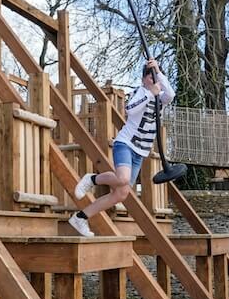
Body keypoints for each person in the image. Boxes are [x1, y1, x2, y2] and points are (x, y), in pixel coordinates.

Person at [68, 58, 175, 237]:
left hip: (140, 152)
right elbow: (130, 110)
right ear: (143, 80)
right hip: (125, 143)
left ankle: (80, 217)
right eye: (150, 77)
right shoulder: (139, 93)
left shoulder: (160, 99)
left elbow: (170, 94)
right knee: (123, 179)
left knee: (121, 194)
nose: (153, 81)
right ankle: (92, 179)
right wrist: (150, 93)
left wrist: (158, 71)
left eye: (155, 77)